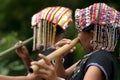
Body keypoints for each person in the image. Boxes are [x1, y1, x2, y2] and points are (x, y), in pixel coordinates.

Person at [31, 3, 120, 80]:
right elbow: (64, 76)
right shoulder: (92, 56)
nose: (78, 36)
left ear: (92, 34)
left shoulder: (101, 58)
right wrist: (59, 58)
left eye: (79, 31)